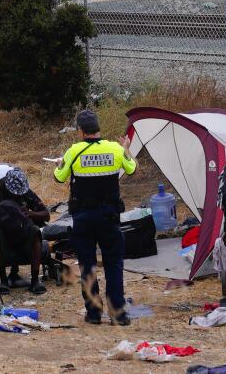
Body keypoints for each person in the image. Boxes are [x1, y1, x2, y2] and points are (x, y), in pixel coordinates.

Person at [54, 109, 137, 325]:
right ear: (98, 128)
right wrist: (127, 149)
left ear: (80, 131)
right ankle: (118, 313)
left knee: (87, 266)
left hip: (83, 218)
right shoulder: (115, 149)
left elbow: (59, 177)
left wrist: (61, 163)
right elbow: (132, 168)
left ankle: (93, 313)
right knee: (114, 264)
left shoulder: (74, 151)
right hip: (109, 216)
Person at [0, 168, 49, 295]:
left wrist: (31, 214)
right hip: (2, 232)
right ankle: (3, 281)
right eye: (15, 193)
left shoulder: (25, 192)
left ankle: (35, 281)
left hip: (22, 230)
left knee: (35, 231)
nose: (17, 196)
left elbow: (46, 214)